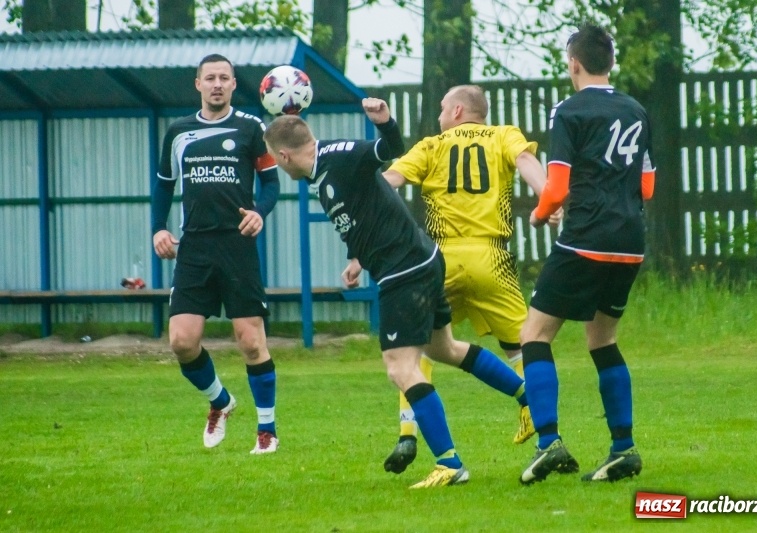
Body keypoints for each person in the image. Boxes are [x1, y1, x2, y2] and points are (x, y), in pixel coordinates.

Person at [263, 98, 530, 489]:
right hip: (420, 261)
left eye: (274, 159)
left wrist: (386, 122)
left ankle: (449, 464)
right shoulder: (317, 173)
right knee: (444, 348)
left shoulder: (338, 156)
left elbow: (389, 150)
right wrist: (357, 257)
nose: (276, 165)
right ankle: (528, 397)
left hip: (404, 270)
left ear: (284, 155)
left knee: (399, 367)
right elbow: (365, 211)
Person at [376, 84, 561, 474]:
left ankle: (407, 434)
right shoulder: (503, 135)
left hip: (439, 260)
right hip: (490, 257)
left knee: (418, 349)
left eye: (443, 108)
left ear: (458, 111)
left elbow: (387, 182)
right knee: (526, 345)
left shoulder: (431, 146)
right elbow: (526, 160)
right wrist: (549, 198)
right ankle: (545, 435)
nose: (440, 115)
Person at [518, 24, 656, 485]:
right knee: (603, 340)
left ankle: (548, 443)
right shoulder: (636, 110)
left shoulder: (569, 110)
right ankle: (623, 450)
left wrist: (540, 215)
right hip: (630, 240)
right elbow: (647, 186)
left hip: (585, 239)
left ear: (573, 63)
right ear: (610, 63)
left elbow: (556, 186)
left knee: (534, 334)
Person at [152, 54, 281, 455]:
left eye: (224, 77)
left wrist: (259, 212)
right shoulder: (178, 132)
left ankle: (267, 431)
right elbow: (164, 185)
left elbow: (271, 183)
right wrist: (158, 227)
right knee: (181, 342)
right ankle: (221, 401)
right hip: (194, 247)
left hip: (237, 245)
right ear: (198, 84)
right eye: (210, 78)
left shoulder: (251, 128)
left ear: (233, 84)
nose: (217, 84)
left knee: (251, 342)